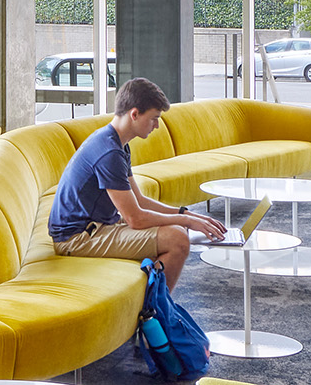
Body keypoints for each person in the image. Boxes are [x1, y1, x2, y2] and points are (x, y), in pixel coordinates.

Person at [48, 77, 225, 289]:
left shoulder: (119, 144)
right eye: (154, 118)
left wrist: (186, 214)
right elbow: (136, 219)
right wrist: (185, 222)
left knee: (178, 228)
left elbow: (139, 201)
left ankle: (151, 305)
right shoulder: (109, 152)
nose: (157, 126)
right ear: (134, 114)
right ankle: (153, 313)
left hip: (95, 226)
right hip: (76, 238)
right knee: (177, 239)